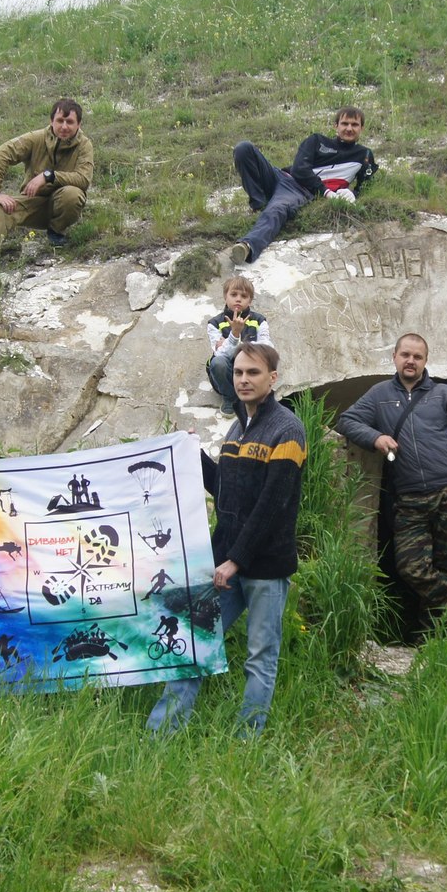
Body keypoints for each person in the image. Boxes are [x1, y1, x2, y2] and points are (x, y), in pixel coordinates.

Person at [147, 342, 306, 734]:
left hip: (264, 566)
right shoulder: (237, 428)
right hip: (228, 562)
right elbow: (225, 491)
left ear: (273, 378)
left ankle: (247, 739)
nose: (243, 380)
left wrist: (236, 559)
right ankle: (161, 733)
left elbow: (272, 506)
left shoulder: (287, 429)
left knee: (260, 656)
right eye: (237, 373)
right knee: (195, 644)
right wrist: (193, 454)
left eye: (253, 373)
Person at [336, 333, 447, 635]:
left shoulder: (445, 394)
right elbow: (347, 421)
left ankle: (434, 639)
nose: (411, 361)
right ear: (395, 357)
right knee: (412, 568)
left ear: (426, 361)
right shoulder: (379, 394)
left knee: (446, 567)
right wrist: (375, 437)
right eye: (405, 355)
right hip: (409, 497)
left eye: (417, 356)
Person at [0, 98, 95, 287]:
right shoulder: (36, 138)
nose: (64, 126)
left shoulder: (84, 145)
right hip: (32, 202)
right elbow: (0, 154)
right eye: (60, 121)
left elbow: (83, 179)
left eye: (70, 122)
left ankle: (56, 231)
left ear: (79, 124)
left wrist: (48, 176)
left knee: (72, 195)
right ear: (52, 121)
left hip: (62, 204)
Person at [227, 107, 377, 264]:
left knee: (278, 208)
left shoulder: (365, 155)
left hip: (299, 190)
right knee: (243, 148)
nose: (349, 128)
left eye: (354, 125)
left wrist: (354, 193)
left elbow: (366, 185)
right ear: (336, 126)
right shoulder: (316, 140)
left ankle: (248, 246)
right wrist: (325, 192)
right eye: (344, 123)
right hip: (283, 177)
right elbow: (299, 169)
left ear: (362, 128)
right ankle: (259, 204)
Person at [206, 275, 273, 413]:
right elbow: (219, 353)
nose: (238, 299)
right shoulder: (214, 324)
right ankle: (231, 398)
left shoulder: (259, 320)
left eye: (244, 296)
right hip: (228, 372)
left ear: (250, 300)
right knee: (218, 363)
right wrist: (235, 334)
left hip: (250, 367)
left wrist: (233, 343)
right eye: (233, 294)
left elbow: (267, 348)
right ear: (225, 296)